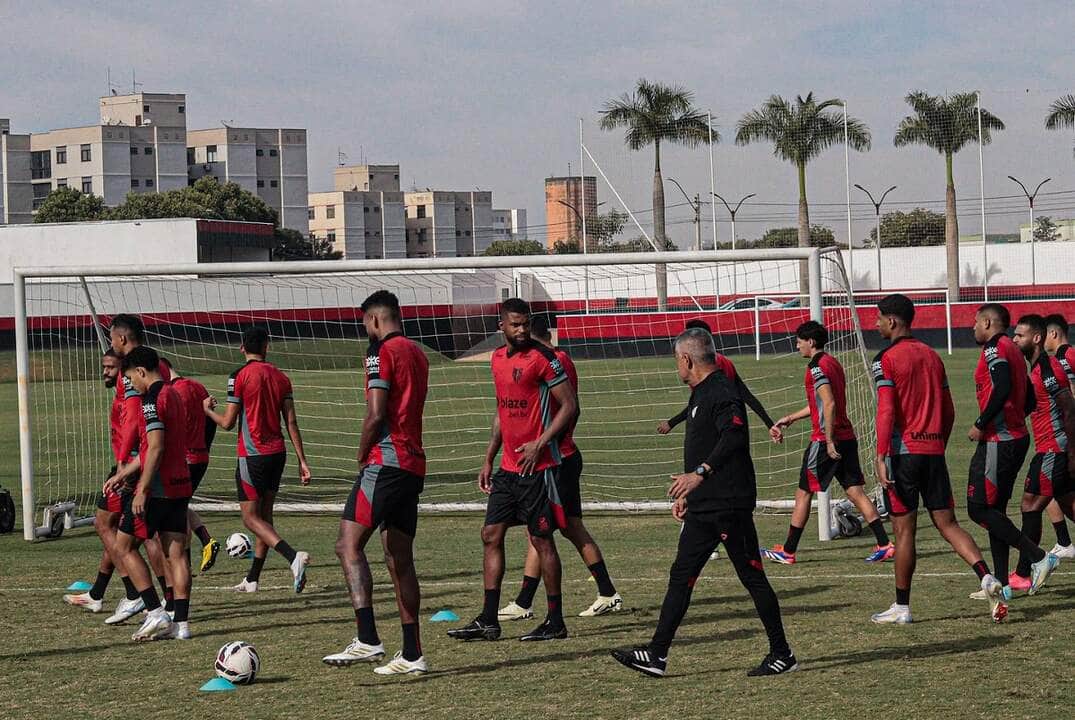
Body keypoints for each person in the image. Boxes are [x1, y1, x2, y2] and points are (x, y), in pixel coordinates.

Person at [611, 327, 796, 678]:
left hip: (728, 504)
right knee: (681, 576)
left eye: (675, 361)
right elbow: (706, 444)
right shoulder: (700, 393)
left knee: (752, 577)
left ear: (686, 359)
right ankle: (656, 655)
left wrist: (700, 474)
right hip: (704, 506)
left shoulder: (722, 390)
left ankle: (782, 653)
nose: (676, 367)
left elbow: (734, 436)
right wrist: (688, 494)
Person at [869, 294, 1006, 625]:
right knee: (948, 524)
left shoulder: (885, 358)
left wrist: (880, 454)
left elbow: (886, 409)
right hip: (932, 453)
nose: (876, 323)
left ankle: (902, 607)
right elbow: (949, 410)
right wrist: (937, 444)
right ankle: (986, 576)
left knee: (904, 532)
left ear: (892, 321)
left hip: (904, 455)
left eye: (879, 318)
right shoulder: (932, 356)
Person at [448, 298, 578, 642]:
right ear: (501, 326)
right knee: (490, 534)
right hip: (507, 468)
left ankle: (555, 621)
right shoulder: (496, 359)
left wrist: (541, 443)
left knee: (541, 540)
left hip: (539, 468)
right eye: (515, 325)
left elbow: (570, 406)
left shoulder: (543, 358)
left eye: (526, 324)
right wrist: (489, 457)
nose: (521, 330)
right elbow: (501, 410)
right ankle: (488, 619)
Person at [322, 291, 430, 675]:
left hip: (385, 461)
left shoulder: (379, 352)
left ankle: (367, 637)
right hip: (413, 464)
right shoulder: (418, 353)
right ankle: (413, 654)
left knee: (347, 545)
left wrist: (361, 451)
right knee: (399, 558)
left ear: (374, 320)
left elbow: (376, 413)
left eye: (364, 323)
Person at [499, 315, 622, 622]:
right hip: (557, 456)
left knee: (545, 530)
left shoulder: (552, 360)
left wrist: (552, 442)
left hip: (558, 459)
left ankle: (528, 602)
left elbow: (570, 406)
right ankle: (604, 592)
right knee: (559, 528)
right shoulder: (553, 358)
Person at [762, 320, 893, 564]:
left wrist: (829, 440)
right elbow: (822, 404)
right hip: (847, 437)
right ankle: (885, 544)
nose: (797, 346)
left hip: (825, 440)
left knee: (803, 493)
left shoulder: (816, 367)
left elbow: (829, 403)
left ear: (810, 342)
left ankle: (788, 551)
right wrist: (790, 418)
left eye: (799, 342)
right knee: (855, 491)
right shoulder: (833, 363)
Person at [204, 326, 312, 593]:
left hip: (252, 456)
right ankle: (252, 579)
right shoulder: (281, 377)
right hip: (278, 454)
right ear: (266, 346)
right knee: (265, 518)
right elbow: (291, 421)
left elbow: (228, 423)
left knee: (250, 519)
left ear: (242, 348)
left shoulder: (238, 376)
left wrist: (207, 411)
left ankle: (293, 557)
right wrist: (302, 461)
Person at [102, 346, 193, 640]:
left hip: (158, 488)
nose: (131, 384)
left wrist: (141, 490)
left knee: (123, 546)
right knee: (176, 554)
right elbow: (152, 448)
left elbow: (155, 447)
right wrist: (122, 473)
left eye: (130, 378)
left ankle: (155, 611)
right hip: (181, 483)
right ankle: (182, 625)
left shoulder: (151, 399)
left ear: (141, 371)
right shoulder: (174, 394)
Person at [962, 304, 1042, 599]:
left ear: (987, 322)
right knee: (995, 511)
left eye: (975, 322)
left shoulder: (995, 347)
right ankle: (1003, 585)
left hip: (999, 440)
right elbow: (1030, 399)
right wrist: (1015, 419)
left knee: (978, 508)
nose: (972, 327)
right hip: (1014, 437)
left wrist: (982, 423)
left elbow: (1004, 385)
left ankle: (1039, 556)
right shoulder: (1015, 350)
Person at [62, 349, 145, 616]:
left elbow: (133, 422)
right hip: (130, 463)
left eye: (110, 366)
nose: (105, 371)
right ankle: (97, 594)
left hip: (128, 465)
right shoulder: (127, 386)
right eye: (104, 366)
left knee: (105, 525)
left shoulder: (129, 386)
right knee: (113, 528)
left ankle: (135, 594)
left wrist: (122, 462)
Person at [105, 313, 174, 623]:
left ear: (121, 338)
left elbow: (136, 418)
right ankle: (166, 603)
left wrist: (123, 462)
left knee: (125, 533)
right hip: (150, 460)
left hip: (138, 460)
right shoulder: (159, 366)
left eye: (111, 338)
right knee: (145, 534)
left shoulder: (134, 371)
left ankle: (146, 601)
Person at [1008, 314, 1075, 592]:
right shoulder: (1035, 368)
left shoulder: (1048, 370)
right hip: (1051, 448)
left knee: (1030, 505)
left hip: (1054, 450)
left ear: (1036, 338)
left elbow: (1069, 409)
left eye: (1019, 335)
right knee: (1068, 504)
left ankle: (1025, 572)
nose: (1014, 340)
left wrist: (1072, 454)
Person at [657, 319, 777, 435]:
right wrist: (770, 424)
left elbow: (699, 403)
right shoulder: (724, 361)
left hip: (717, 427)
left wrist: (672, 423)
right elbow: (746, 395)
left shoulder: (702, 370)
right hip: (735, 422)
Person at [162, 358, 220, 574]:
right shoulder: (198, 386)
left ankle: (183, 565)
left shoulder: (171, 392)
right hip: (200, 457)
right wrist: (205, 448)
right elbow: (210, 421)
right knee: (180, 506)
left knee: (175, 512)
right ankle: (206, 540)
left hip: (183, 460)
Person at [1042, 313, 1075, 558]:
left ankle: (1064, 543)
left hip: (1067, 434)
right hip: (1063, 433)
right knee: (1054, 490)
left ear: (1053, 334)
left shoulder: (1066, 357)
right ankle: (1064, 542)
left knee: (1046, 487)